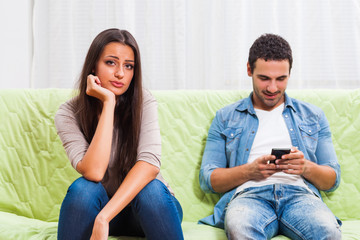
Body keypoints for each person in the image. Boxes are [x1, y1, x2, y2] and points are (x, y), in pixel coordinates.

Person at [199, 34, 341, 240]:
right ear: (249, 70)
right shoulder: (225, 117)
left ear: (289, 74)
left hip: (300, 196)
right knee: (240, 228)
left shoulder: (313, 115)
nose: (272, 88)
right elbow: (208, 180)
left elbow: (332, 179)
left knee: (328, 231)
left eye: (281, 79)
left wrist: (305, 167)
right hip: (249, 197)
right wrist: (250, 171)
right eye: (264, 78)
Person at [55, 28, 184, 240]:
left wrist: (103, 217)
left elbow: (150, 165)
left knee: (150, 190)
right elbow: (94, 172)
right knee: (83, 190)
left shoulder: (144, 102)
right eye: (111, 62)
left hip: (148, 211)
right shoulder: (68, 113)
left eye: (129, 66)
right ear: (93, 65)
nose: (120, 74)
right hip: (101, 207)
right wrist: (108, 103)